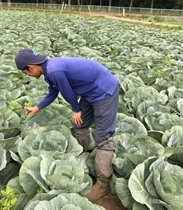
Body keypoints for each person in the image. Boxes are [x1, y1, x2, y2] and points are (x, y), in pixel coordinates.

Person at [15, 48, 119, 202]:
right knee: (80, 125)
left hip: (104, 90)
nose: (28, 76)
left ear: (31, 67)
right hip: (89, 92)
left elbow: (66, 92)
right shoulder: (49, 70)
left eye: (26, 73)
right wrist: (36, 108)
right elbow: (52, 93)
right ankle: (79, 156)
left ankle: (103, 185)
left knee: (103, 138)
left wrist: (76, 109)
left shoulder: (54, 70)